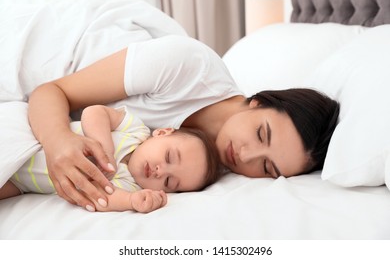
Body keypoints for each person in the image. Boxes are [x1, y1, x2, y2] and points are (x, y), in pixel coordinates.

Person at [27, 35, 340, 212]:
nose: (245, 156)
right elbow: (49, 91)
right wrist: (58, 143)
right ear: (258, 101)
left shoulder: (205, 173)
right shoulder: (185, 66)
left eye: (267, 167)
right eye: (261, 133)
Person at [0, 105, 221, 213]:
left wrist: (132, 202)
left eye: (169, 182)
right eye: (169, 156)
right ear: (162, 132)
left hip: (19, 182)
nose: (159, 171)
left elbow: (103, 200)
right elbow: (94, 112)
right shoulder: (135, 130)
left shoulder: (130, 187)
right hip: (31, 133)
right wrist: (103, 148)